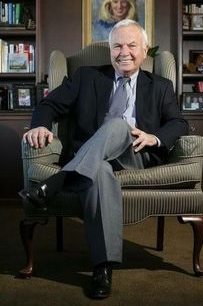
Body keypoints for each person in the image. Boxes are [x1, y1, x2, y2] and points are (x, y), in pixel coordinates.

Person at [21, 19, 189, 299]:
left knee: (118, 125)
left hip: (136, 154)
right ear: (110, 50)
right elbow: (49, 104)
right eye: (117, 46)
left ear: (145, 50)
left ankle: (60, 180)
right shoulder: (86, 77)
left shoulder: (160, 85)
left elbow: (178, 123)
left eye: (132, 45)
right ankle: (103, 267)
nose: (124, 51)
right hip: (94, 157)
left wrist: (153, 138)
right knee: (98, 168)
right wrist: (40, 124)